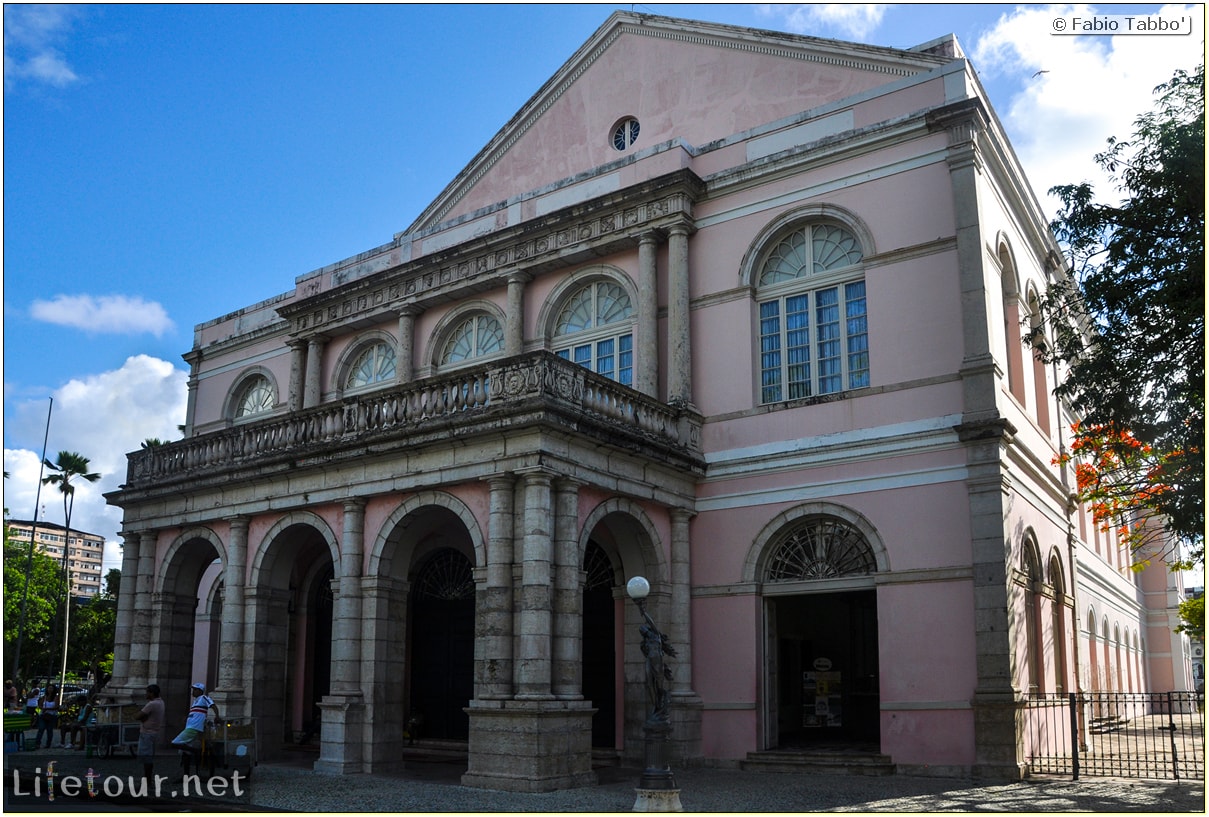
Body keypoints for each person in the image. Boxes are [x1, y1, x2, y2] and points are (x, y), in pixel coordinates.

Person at [170, 682, 219, 778]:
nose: (193, 691)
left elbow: (213, 705)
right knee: (185, 753)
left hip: (194, 728)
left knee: (174, 743)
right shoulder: (195, 701)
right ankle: (186, 775)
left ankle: (196, 751)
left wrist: (217, 716)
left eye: (195, 689)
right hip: (190, 727)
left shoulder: (204, 698)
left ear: (200, 691)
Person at [136, 684, 165, 783]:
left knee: (146, 758)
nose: (146, 694)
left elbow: (138, 716)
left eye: (147, 692)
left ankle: (147, 780)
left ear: (152, 693)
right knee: (149, 757)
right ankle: (148, 779)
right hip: (154, 732)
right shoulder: (161, 702)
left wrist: (142, 717)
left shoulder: (151, 704)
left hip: (147, 733)